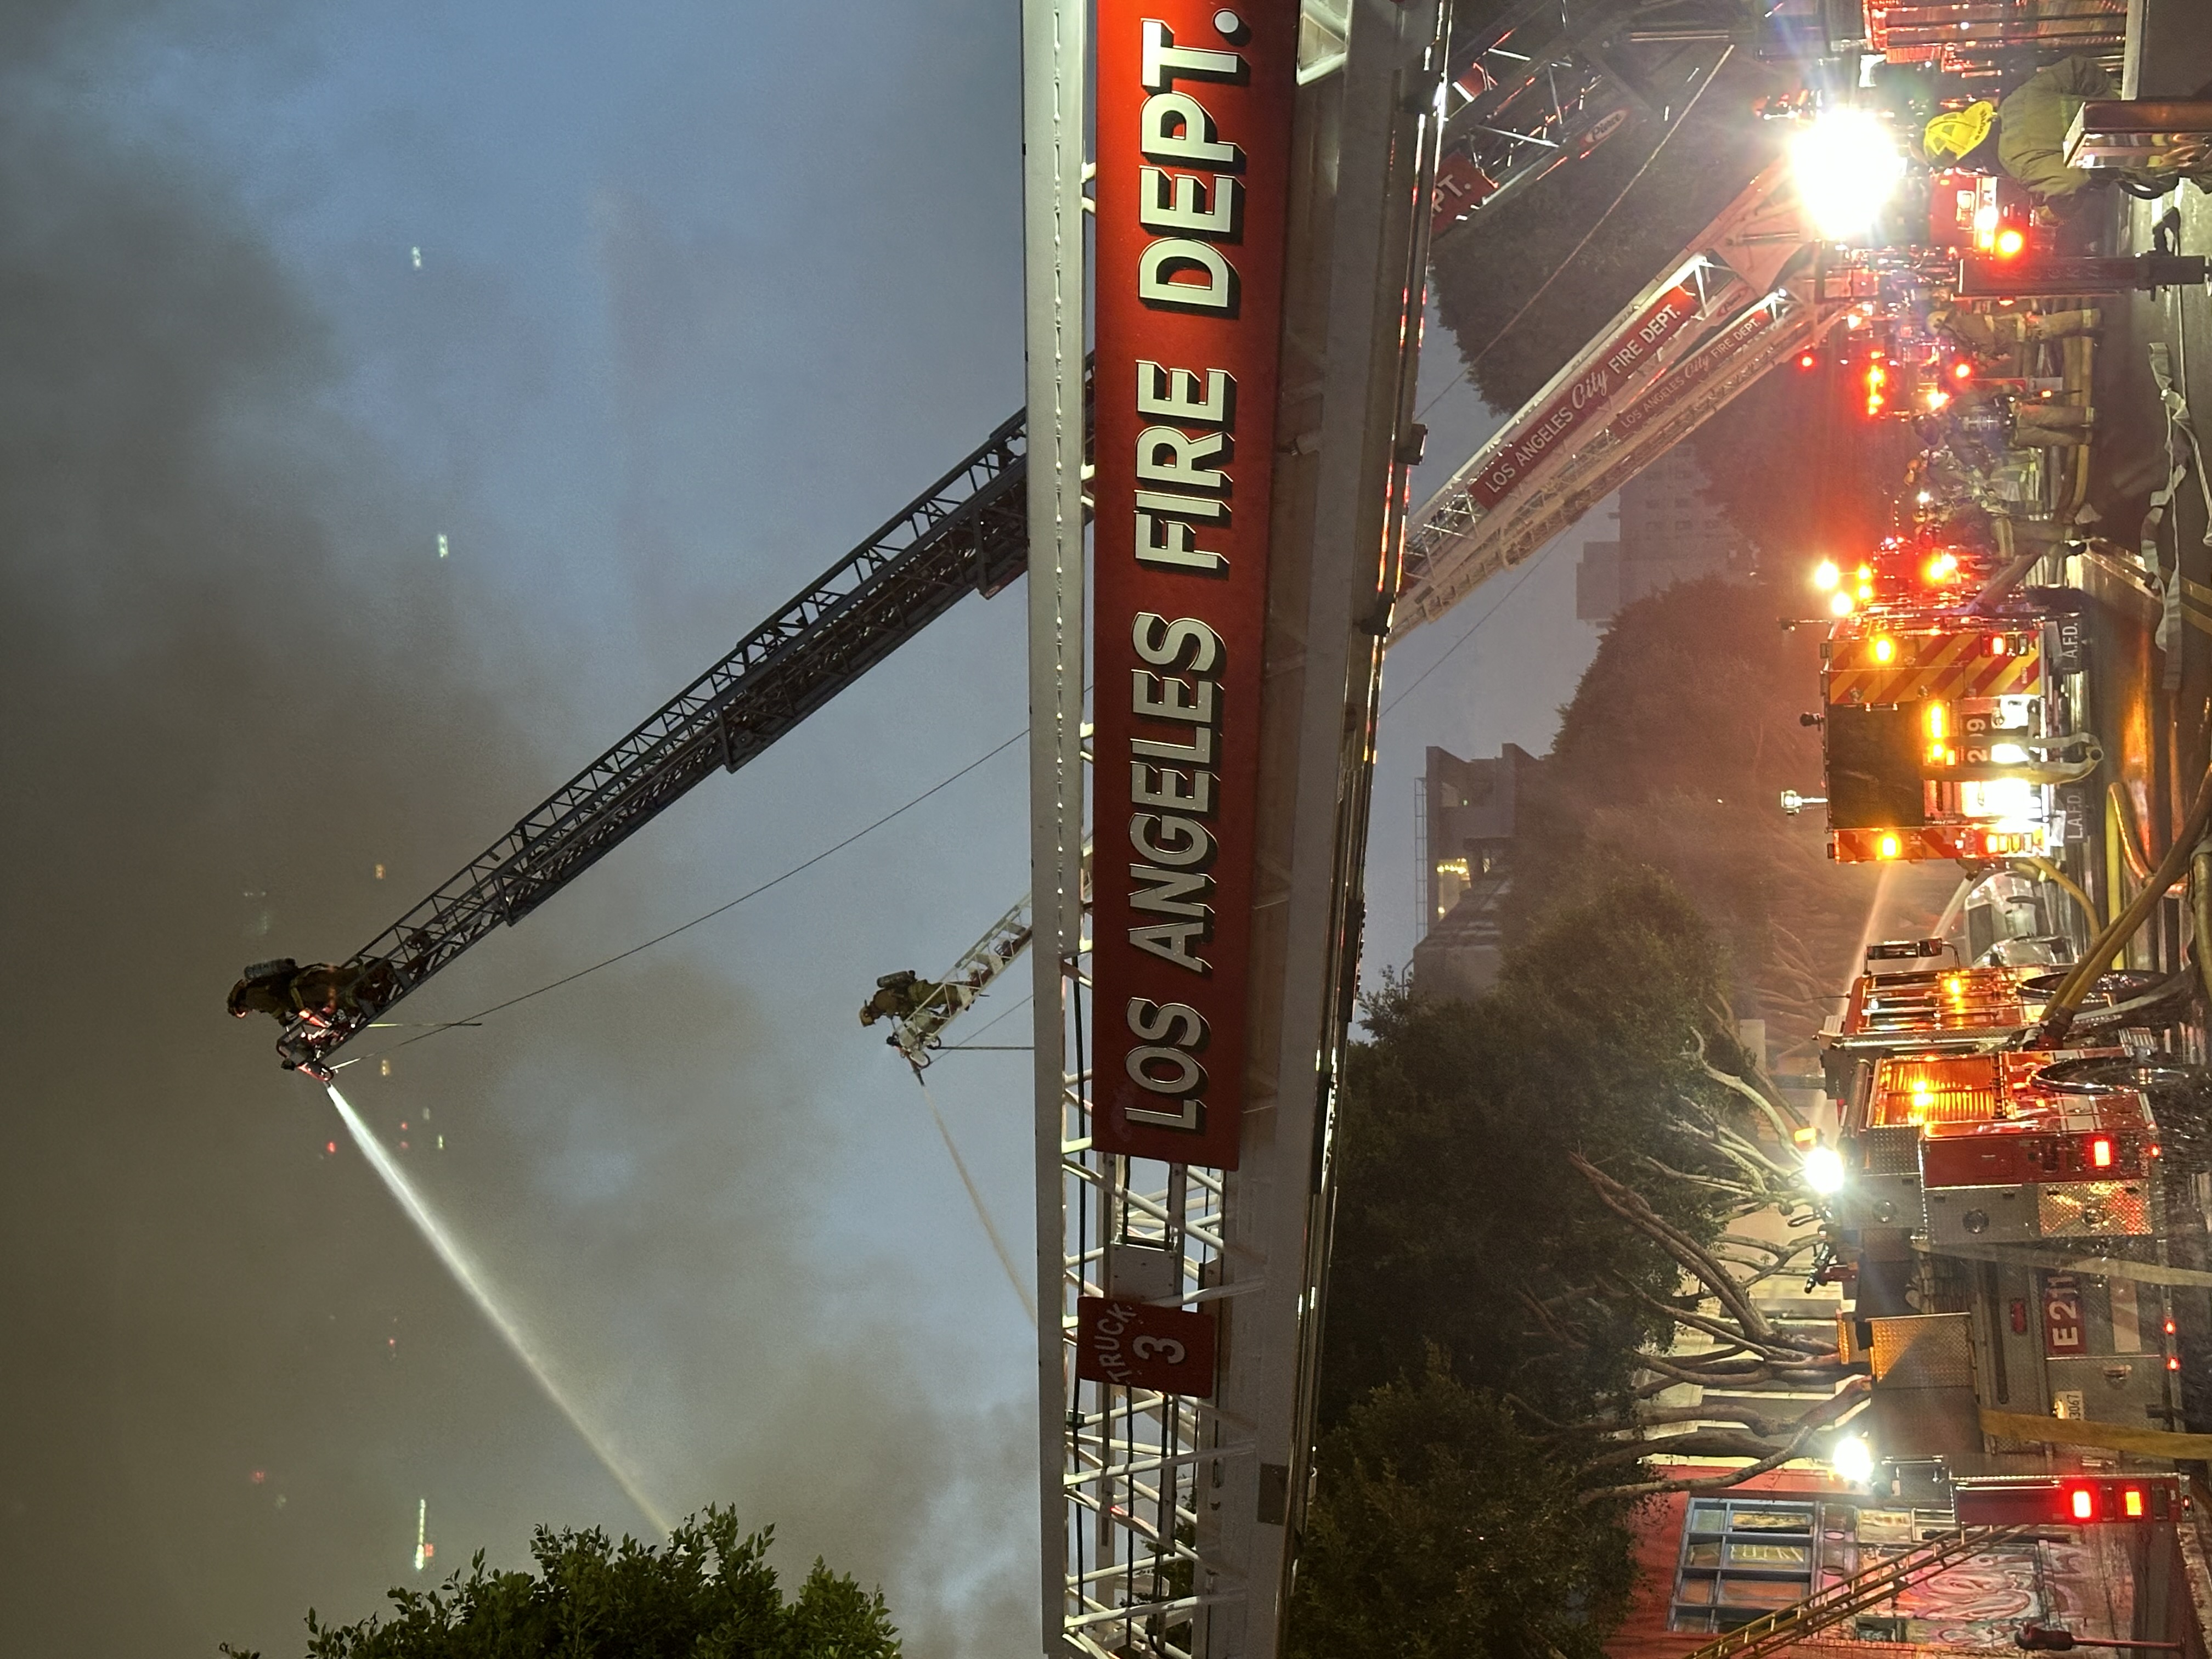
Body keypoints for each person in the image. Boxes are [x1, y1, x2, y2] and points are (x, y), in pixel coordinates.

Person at [1923, 56, 2115, 212]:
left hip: (2142, 160)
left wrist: (2055, 209)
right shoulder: (2015, 103)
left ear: (1970, 160)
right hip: (2136, 108)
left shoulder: (2015, 161)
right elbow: (2077, 68)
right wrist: (2113, 101)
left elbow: (2071, 180)